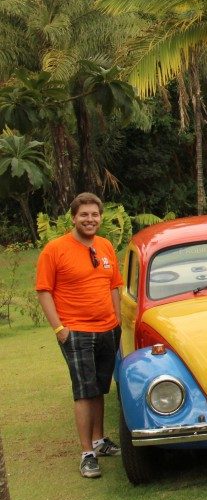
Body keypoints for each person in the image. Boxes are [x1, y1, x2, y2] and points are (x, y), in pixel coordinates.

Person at [36, 193, 123, 479]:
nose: (90, 219)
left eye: (94, 214)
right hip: (76, 331)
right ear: (73, 217)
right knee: (84, 391)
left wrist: (117, 322)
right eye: (84, 214)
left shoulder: (105, 246)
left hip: (107, 329)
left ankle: (99, 440)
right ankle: (87, 453)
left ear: (100, 217)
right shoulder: (55, 249)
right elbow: (44, 291)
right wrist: (59, 329)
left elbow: (114, 286)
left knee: (99, 387)